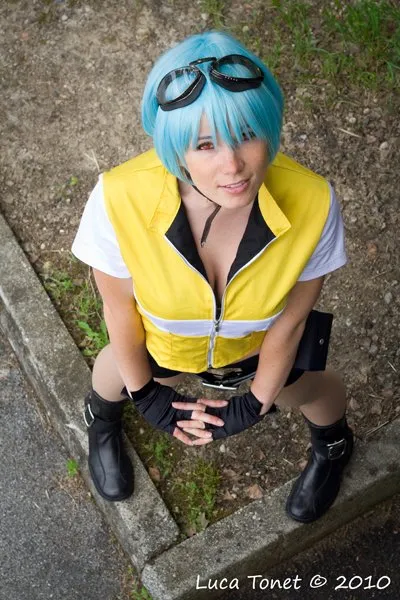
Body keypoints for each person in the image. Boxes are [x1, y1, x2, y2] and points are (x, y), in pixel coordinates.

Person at [71, 30, 354, 523]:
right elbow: (118, 309)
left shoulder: (314, 202)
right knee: (117, 370)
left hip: (256, 347)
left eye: (246, 133)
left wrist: (257, 401)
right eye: (204, 144)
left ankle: (335, 446)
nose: (233, 167)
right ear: (174, 147)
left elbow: (292, 322)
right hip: (163, 343)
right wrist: (146, 396)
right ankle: (102, 418)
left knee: (311, 390)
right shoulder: (118, 198)